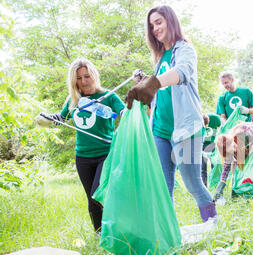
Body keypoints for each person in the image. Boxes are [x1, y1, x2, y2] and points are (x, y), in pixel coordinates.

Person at [126, 5, 217, 223]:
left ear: (171, 21)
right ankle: (168, 237)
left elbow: (182, 72)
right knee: (162, 189)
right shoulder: (159, 58)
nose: (155, 28)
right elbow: (161, 91)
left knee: (194, 184)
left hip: (186, 130)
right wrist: (146, 80)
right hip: (160, 131)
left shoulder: (184, 49)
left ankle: (214, 226)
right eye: (151, 26)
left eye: (159, 22)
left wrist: (154, 82)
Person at [38, 58, 126, 233]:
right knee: (90, 199)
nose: (84, 81)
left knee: (98, 195)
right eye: (78, 78)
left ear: (94, 75)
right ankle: (99, 236)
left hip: (105, 154)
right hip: (83, 157)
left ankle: (115, 231)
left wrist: (130, 113)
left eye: (87, 76)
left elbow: (124, 112)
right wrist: (46, 119)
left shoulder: (109, 96)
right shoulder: (74, 99)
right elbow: (61, 119)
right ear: (73, 80)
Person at [213, 121, 253, 200]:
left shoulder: (245, 134)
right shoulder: (228, 148)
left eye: (234, 147)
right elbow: (227, 167)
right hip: (243, 144)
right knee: (237, 169)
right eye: (231, 151)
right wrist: (221, 184)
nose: (234, 150)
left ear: (233, 141)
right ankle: (237, 191)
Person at [201, 113, 221, 187]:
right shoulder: (200, 120)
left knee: (211, 166)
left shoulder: (216, 118)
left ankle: (212, 185)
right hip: (204, 144)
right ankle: (207, 185)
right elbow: (219, 127)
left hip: (211, 144)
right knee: (206, 167)